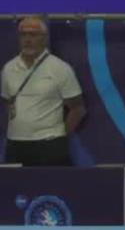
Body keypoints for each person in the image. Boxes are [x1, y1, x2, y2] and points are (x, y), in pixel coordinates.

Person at [2, 16, 84, 166]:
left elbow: (77, 109)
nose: (27, 39)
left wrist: (60, 136)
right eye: (23, 34)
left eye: (33, 34)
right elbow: (8, 101)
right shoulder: (8, 69)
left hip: (50, 145)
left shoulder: (60, 68)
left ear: (44, 38)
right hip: (15, 144)